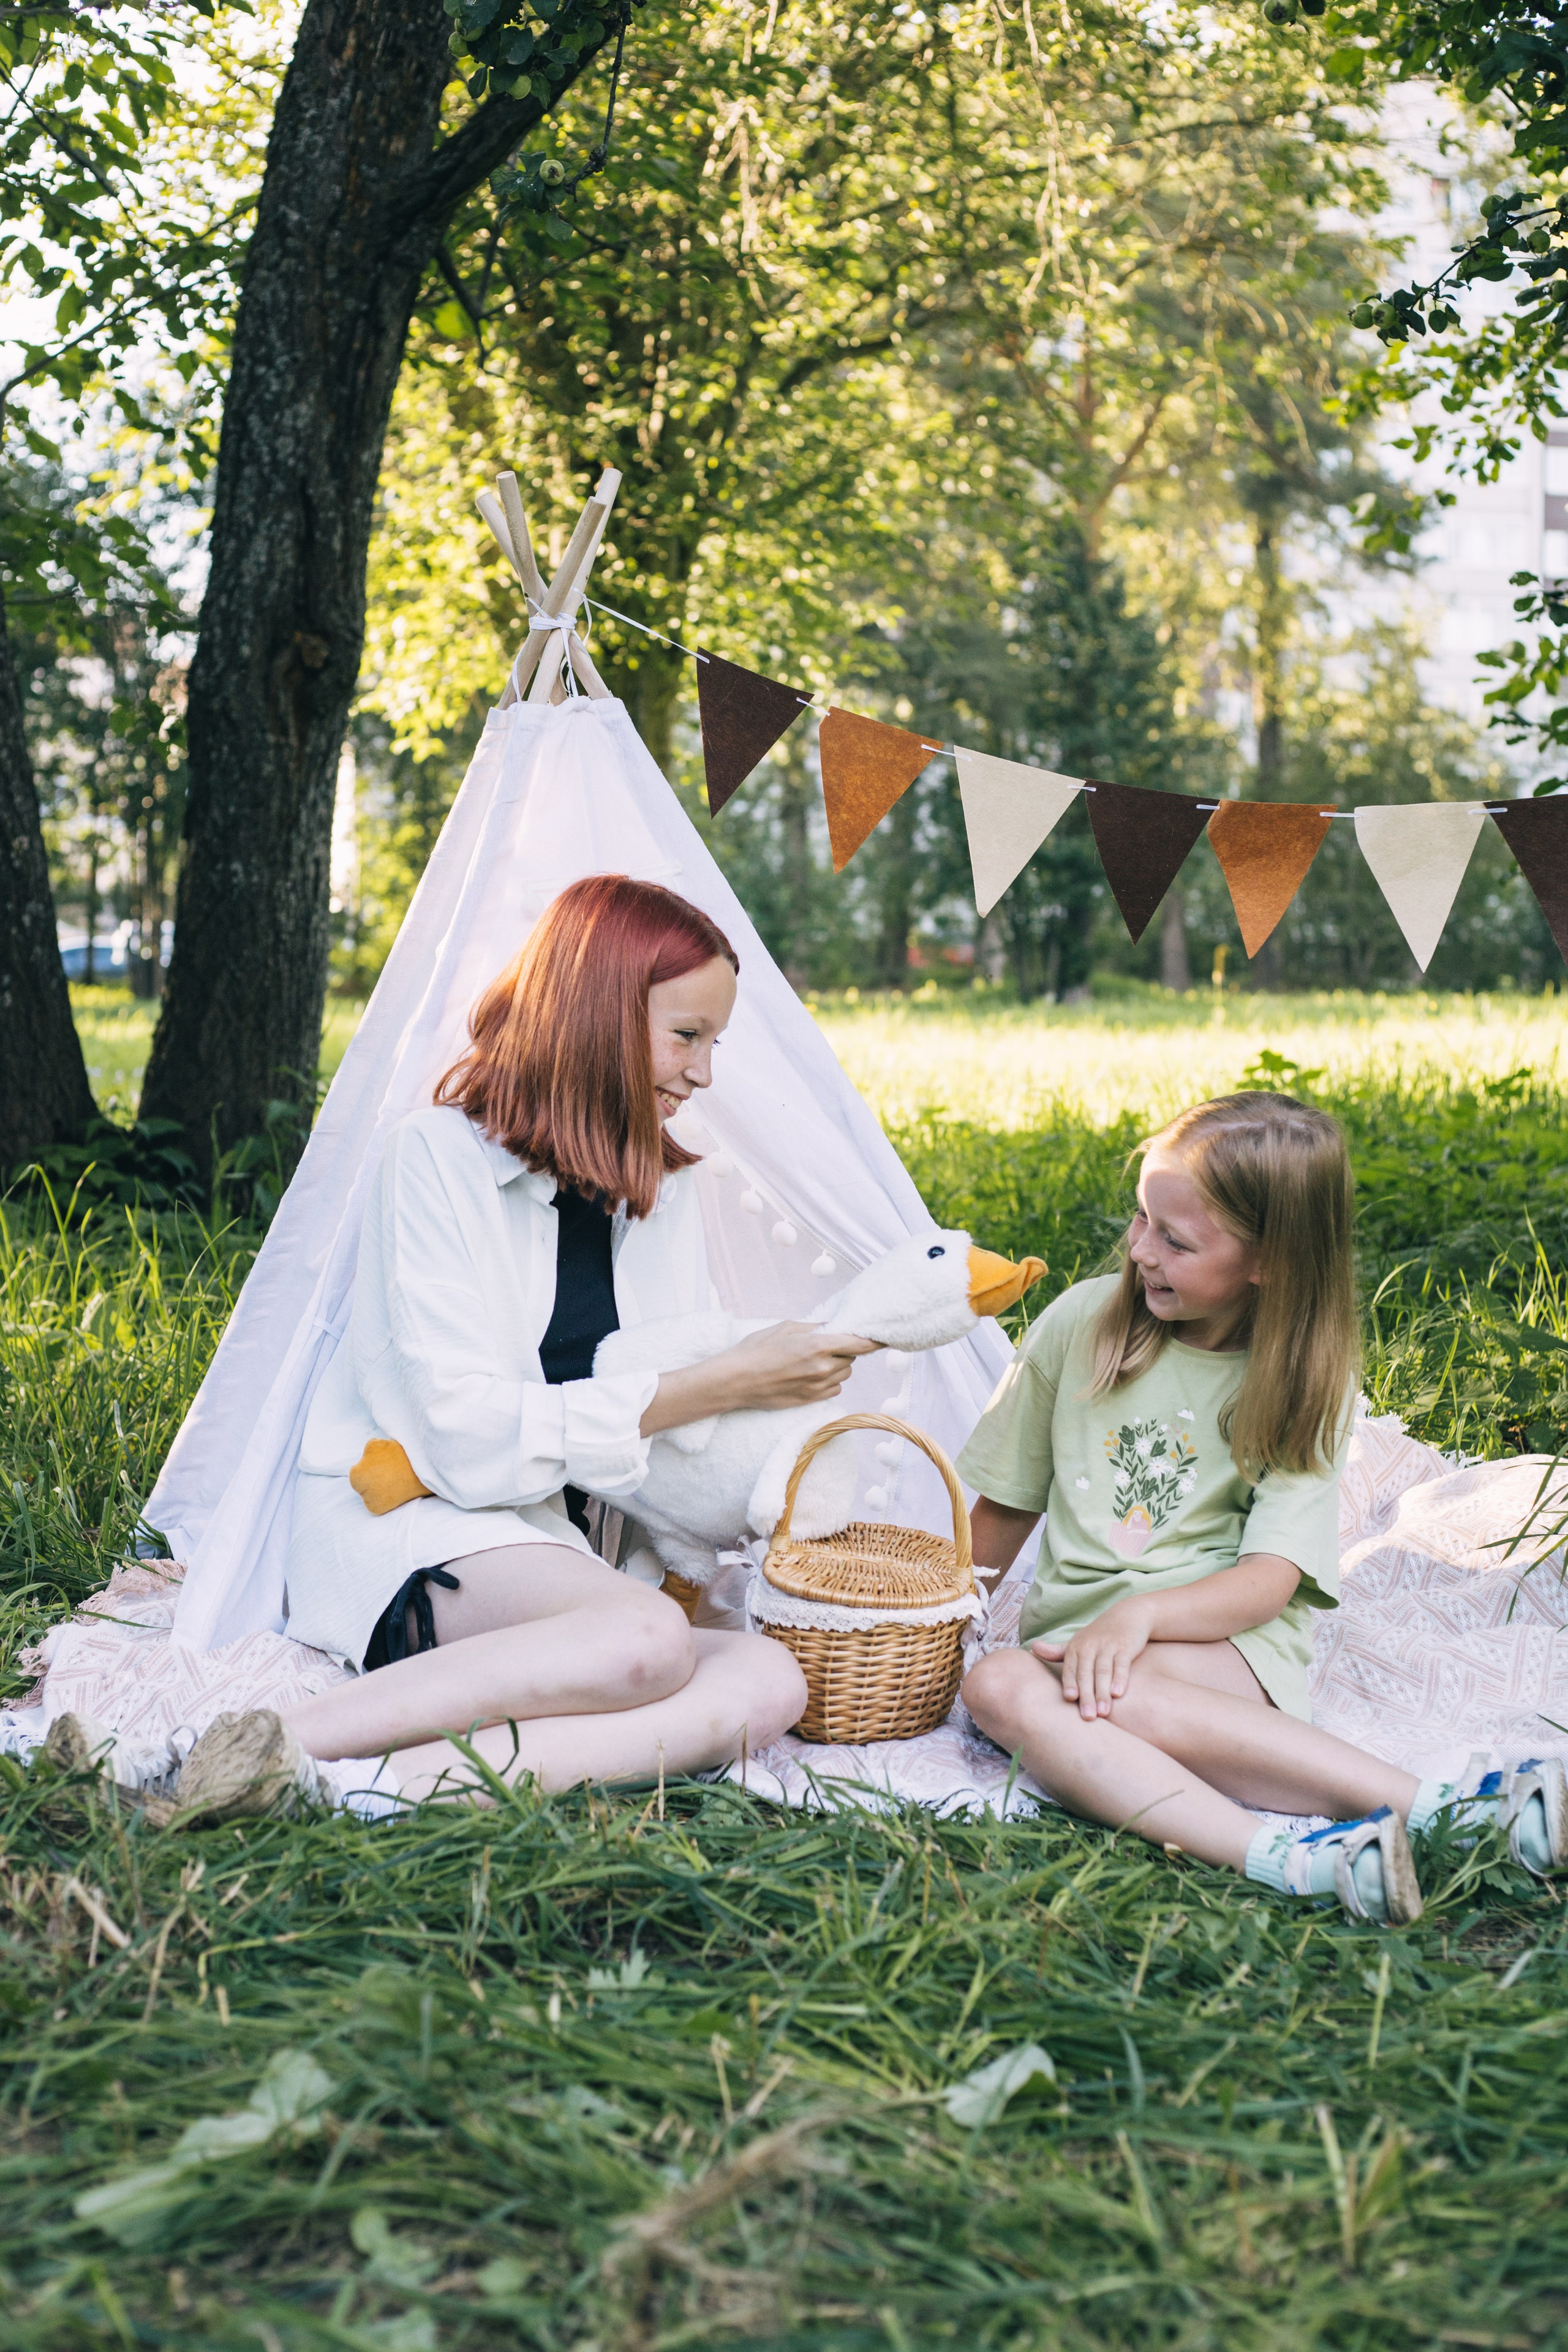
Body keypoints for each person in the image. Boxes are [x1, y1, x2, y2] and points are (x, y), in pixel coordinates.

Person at [145, 876, 881, 1819]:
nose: (704, 1075)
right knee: (646, 1646)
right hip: (416, 1518)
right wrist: (721, 1382)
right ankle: (259, 1740)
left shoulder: (662, 1184)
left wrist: (760, 1460)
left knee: (769, 1683)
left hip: (555, 1548)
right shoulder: (434, 1159)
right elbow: (464, 1441)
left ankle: (347, 1789)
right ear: (597, 1014)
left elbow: (664, 1436)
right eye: (686, 1036)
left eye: (714, 1043)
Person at [959, 1092, 1567, 1924]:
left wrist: (1138, 1618)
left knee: (1075, 1690)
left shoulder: (1301, 1381)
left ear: (1270, 1261)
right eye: (1142, 1220)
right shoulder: (1079, 1327)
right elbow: (1007, 1503)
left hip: (1223, 1652)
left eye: (1176, 1240)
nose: (1141, 1250)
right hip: (1076, 1643)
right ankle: (1292, 1860)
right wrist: (944, 1622)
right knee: (997, 1684)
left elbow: (1269, 1581)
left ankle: (1439, 1809)